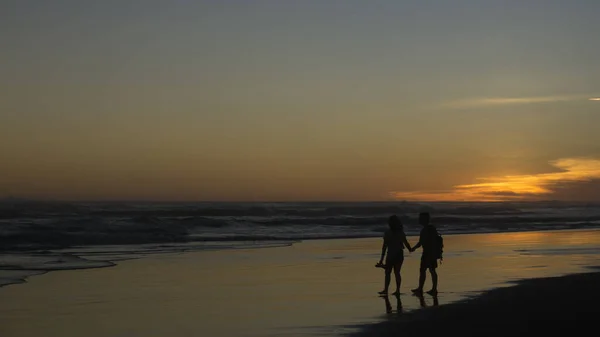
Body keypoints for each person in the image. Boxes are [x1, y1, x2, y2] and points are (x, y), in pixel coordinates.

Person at [377, 215, 412, 295]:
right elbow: (406, 243)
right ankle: (397, 290)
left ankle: (386, 290)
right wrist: (411, 249)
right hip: (399, 254)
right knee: (396, 272)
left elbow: (384, 247)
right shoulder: (400, 232)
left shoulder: (388, 233)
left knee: (388, 272)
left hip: (391, 254)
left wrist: (381, 259)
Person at [410, 212, 439, 295]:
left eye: (420, 218)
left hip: (429, 253)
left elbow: (421, 242)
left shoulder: (427, 229)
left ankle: (432, 289)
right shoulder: (431, 228)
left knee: (429, 270)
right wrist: (414, 248)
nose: (419, 220)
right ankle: (423, 288)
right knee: (426, 270)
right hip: (429, 252)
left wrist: (413, 248)